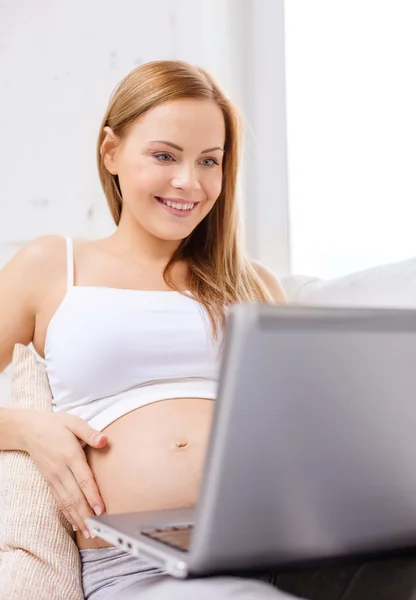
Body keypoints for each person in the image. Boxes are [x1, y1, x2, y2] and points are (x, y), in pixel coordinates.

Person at [0, 59, 301, 600]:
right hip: (141, 574)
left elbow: (307, 430)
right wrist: (25, 430)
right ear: (111, 151)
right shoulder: (51, 265)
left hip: (279, 554)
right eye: (164, 155)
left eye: (210, 161)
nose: (189, 182)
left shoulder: (256, 284)